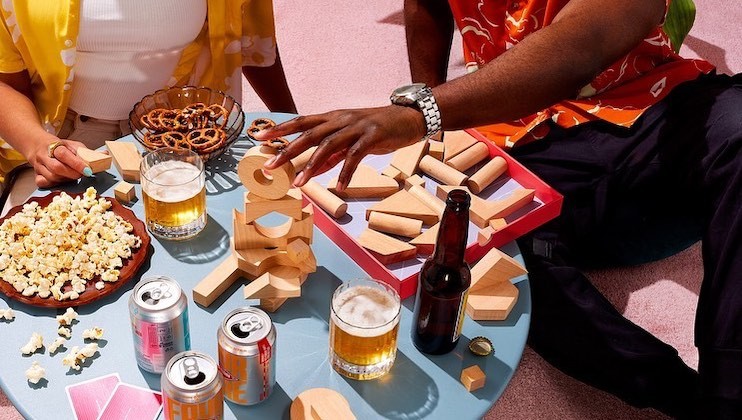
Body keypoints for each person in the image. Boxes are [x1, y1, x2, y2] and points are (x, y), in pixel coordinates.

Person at [256, 0, 741, 417]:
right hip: (523, 137)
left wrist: (421, 114)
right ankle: (685, 397)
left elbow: (583, 44)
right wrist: (432, 122)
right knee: (483, 265)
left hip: (654, 112)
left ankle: (728, 395)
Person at [0, 0, 296, 213]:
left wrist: (292, 126)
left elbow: (254, 40)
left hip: (184, 133)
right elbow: (6, 81)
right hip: (65, 142)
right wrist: (37, 144)